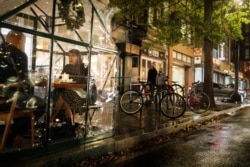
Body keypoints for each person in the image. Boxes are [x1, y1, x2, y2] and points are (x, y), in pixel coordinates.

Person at [0, 30, 46, 146]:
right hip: (9, 99)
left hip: (1, 97)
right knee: (40, 105)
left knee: (26, 102)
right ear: (20, 41)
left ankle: (7, 130)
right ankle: (15, 133)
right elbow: (24, 81)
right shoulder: (20, 55)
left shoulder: (1, 51)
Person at [50, 49, 89, 125]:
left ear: (78, 57)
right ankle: (70, 122)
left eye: (73, 56)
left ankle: (52, 118)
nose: (70, 58)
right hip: (66, 90)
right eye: (69, 56)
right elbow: (62, 78)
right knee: (61, 94)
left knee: (62, 96)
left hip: (80, 93)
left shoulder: (83, 67)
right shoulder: (67, 67)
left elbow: (85, 81)